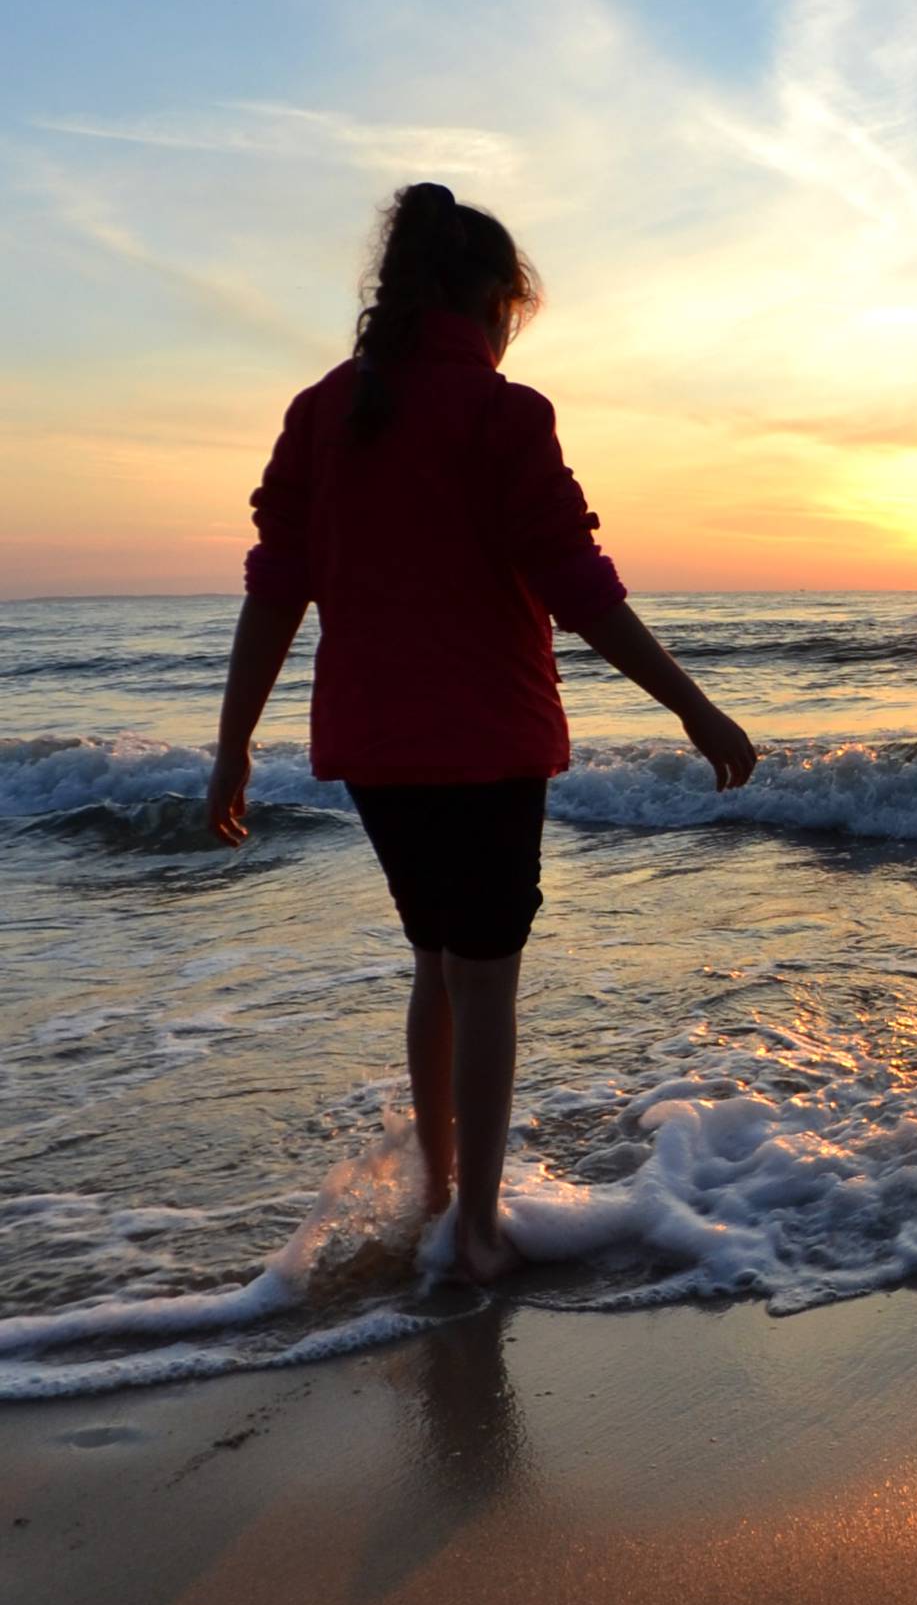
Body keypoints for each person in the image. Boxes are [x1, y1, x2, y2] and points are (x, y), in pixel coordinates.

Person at [207, 180, 756, 1283]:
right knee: (484, 978)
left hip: (372, 746)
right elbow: (577, 584)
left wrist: (234, 745)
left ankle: (450, 1193)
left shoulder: (324, 412)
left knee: (435, 961)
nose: (514, 329)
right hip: (489, 742)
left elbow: (277, 587)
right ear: (490, 301)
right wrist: (693, 706)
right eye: (513, 306)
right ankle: (482, 1232)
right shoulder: (504, 417)